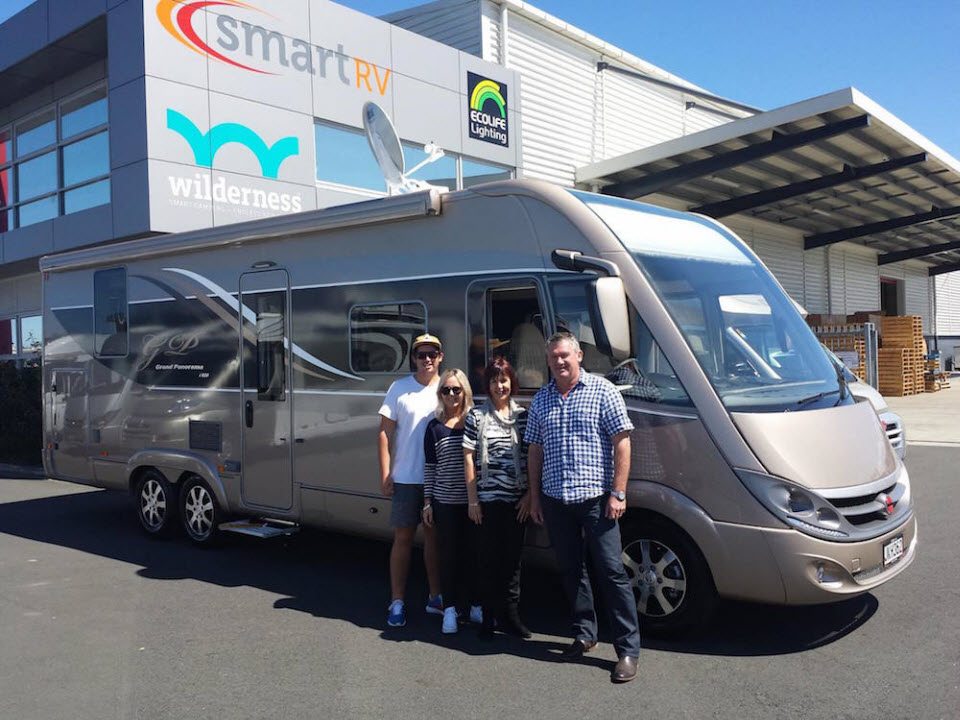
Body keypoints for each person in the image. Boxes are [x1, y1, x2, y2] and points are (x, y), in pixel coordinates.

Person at [525, 331, 641, 683]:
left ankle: (627, 651)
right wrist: (534, 495)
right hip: (555, 500)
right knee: (572, 571)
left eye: (565, 355)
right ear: (548, 361)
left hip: (596, 501)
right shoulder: (542, 399)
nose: (560, 361)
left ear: (579, 356)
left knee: (611, 572)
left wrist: (617, 493)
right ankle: (584, 634)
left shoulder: (602, 391)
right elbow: (534, 451)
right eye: (554, 357)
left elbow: (622, 442)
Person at [378, 333, 445, 628]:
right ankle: (397, 601)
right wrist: (385, 472)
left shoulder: (449, 388)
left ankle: (435, 597)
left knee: (433, 540)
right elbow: (384, 432)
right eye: (421, 355)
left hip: (438, 481)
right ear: (414, 358)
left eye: (432, 354)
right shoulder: (399, 388)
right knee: (403, 540)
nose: (427, 359)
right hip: (405, 478)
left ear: (440, 357)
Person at [463, 356, 531, 640]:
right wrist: (473, 500)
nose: (499, 386)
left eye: (503, 380)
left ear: (510, 382)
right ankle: (488, 618)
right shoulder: (476, 416)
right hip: (487, 501)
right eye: (493, 381)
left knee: (512, 561)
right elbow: (468, 457)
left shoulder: (523, 416)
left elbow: (532, 456)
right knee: (487, 560)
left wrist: (529, 495)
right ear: (487, 385)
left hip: (517, 501)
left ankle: (511, 616)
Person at [421, 368, 482, 634]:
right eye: (446, 390)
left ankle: (475, 605)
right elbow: (430, 467)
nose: (451, 395)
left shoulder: (475, 421)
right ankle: (449, 610)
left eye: (456, 390)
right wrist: (427, 502)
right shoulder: (433, 427)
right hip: (444, 502)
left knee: (474, 554)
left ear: (465, 392)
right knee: (448, 557)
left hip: (472, 502)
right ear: (440, 394)